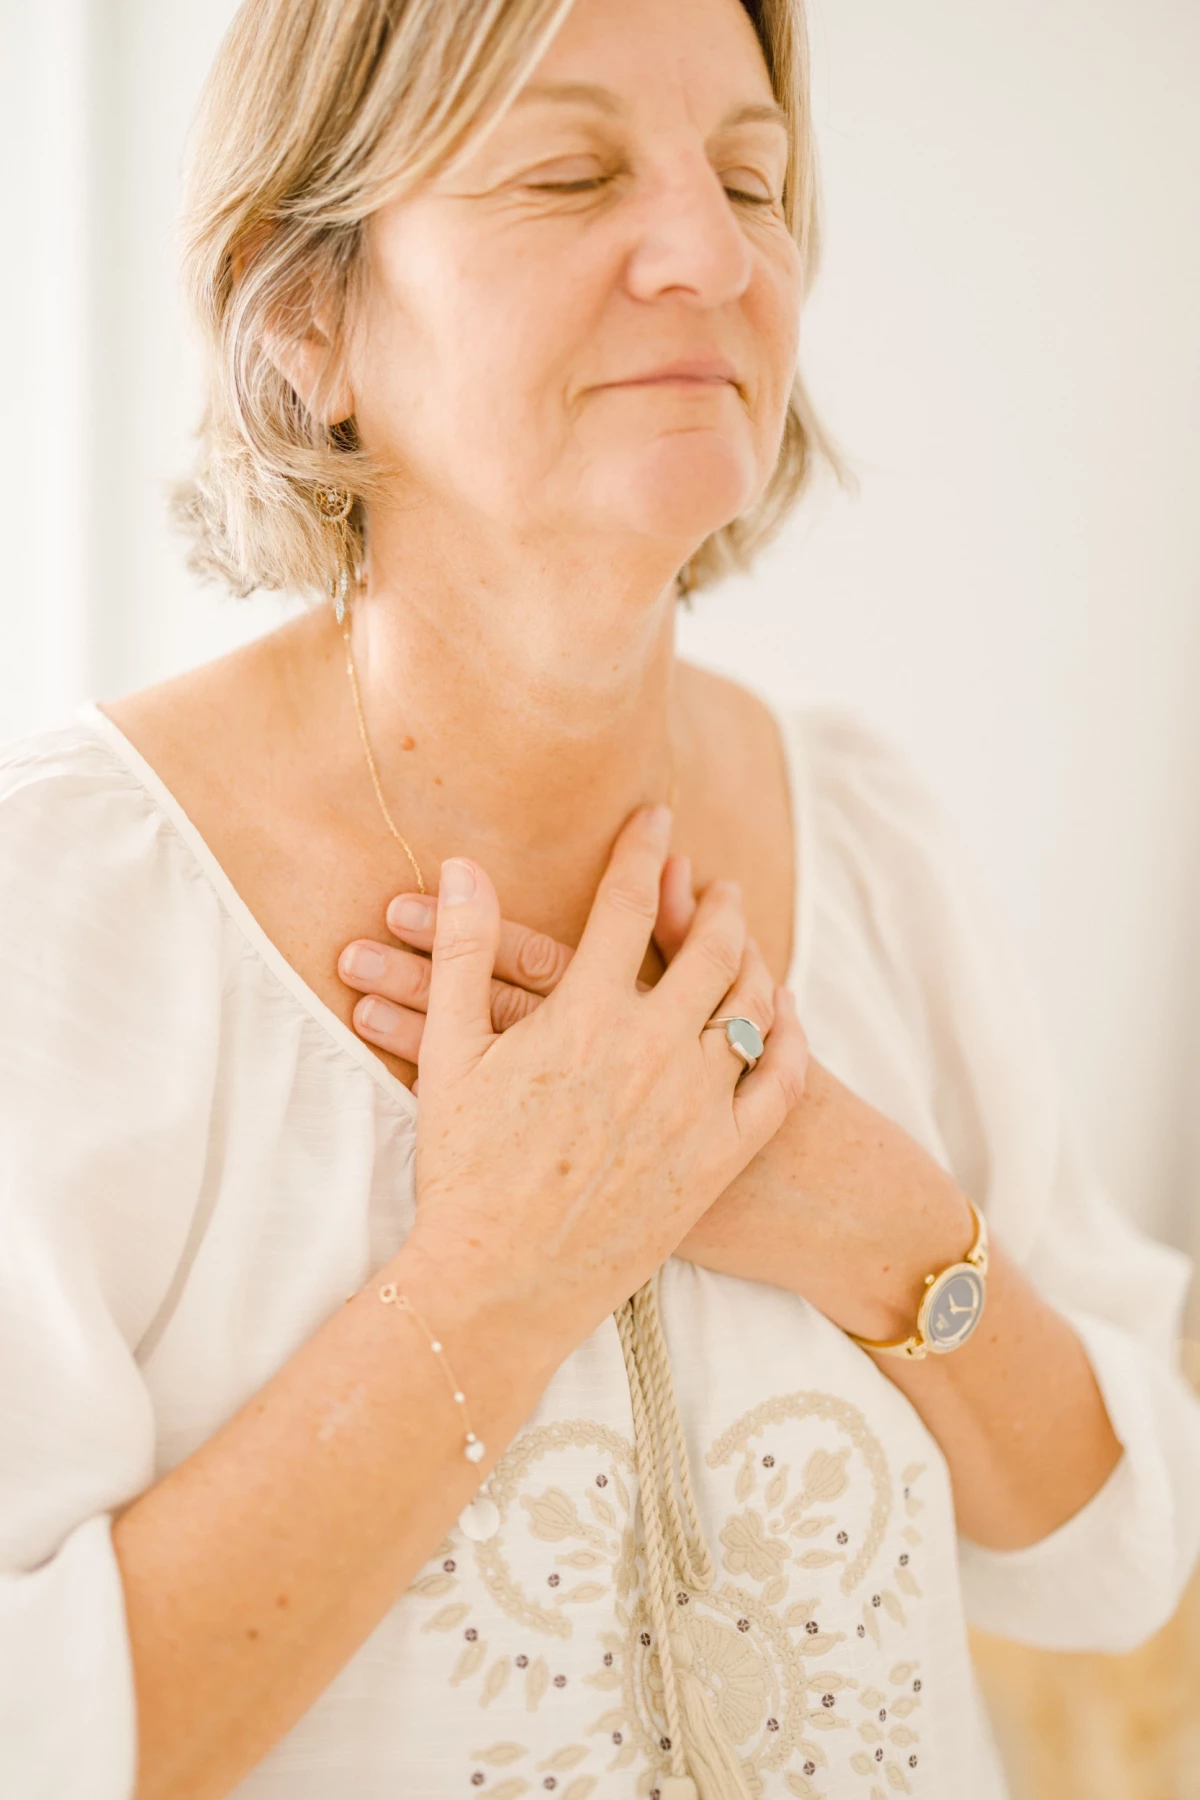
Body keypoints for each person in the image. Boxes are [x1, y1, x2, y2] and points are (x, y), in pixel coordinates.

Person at [2, 0, 1198, 1796]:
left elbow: (1117, 1562)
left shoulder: (868, 834)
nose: (710, 254)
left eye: (753, 177)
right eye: (568, 172)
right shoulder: (69, 913)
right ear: (304, 306)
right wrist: (499, 1277)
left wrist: (880, 1231)